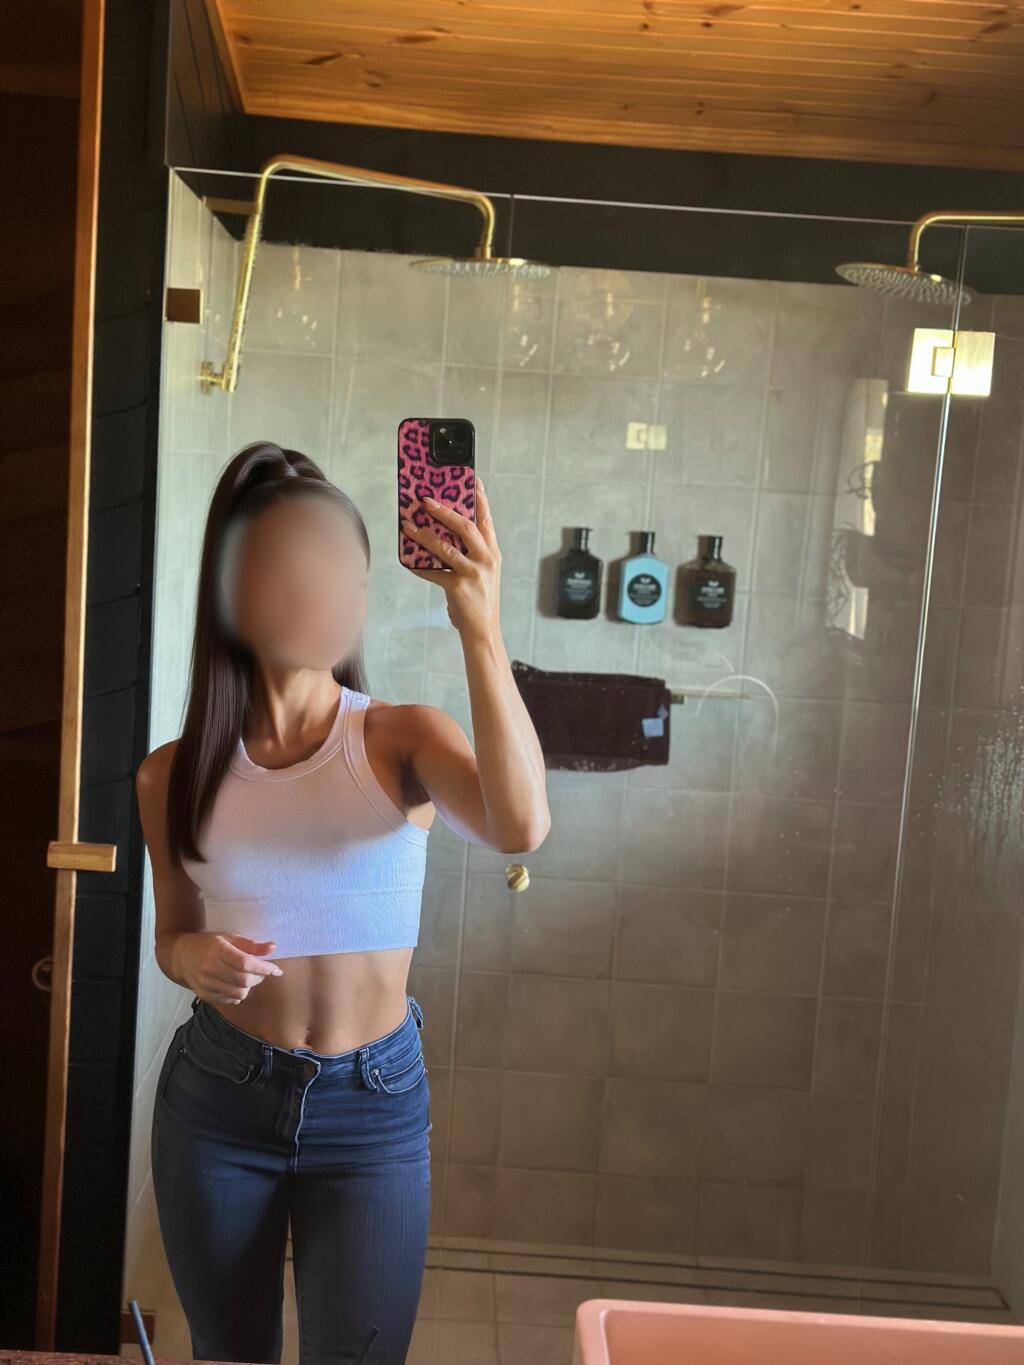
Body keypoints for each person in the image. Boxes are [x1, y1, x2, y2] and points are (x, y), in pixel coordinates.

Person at [135, 441, 550, 1365]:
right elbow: (171, 934)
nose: (321, 588)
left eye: (340, 567)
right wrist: (190, 958)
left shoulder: (402, 739)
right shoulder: (170, 775)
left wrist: (480, 627)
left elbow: (521, 825)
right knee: (228, 1353)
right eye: (292, 565)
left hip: (373, 1104)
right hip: (219, 1098)